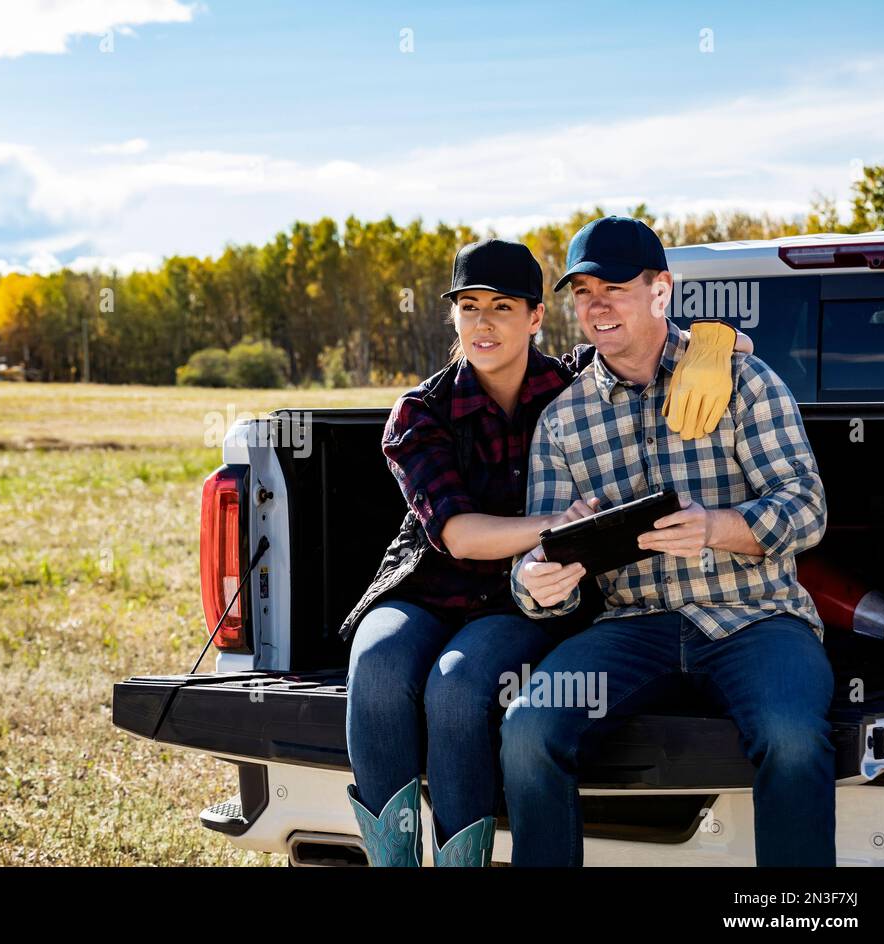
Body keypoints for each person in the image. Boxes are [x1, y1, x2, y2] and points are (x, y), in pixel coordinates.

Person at [338, 236, 752, 866]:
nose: (484, 322)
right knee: (377, 663)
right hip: (430, 585)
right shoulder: (421, 412)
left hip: (516, 600)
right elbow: (458, 536)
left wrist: (715, 346)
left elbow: (665, 343)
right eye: (469, 306)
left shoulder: (571, 382)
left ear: (535, 318)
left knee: (456, 686)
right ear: (453, 317)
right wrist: (556, 522)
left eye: (503, 307)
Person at [503, 216, 833, 867]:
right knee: (528, 728)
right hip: (633, 627)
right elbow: (535, 557)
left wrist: (715, 527)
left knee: (793, 737)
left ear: (661, 290)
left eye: (616, 288)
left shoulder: (744, 381)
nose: (596, 306)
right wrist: (538, 583)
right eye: (584, 291)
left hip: (757, 617)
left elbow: (806, 511)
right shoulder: (565, 420)